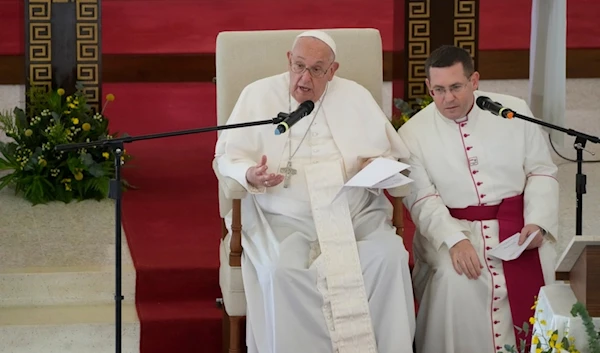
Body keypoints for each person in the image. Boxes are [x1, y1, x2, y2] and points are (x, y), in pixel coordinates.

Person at [214, 30, 416, 353]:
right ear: (288, 62)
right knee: (281, 272)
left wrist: (373, 164)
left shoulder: (356, 97)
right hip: (282, 219)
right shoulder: (257, 96)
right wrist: (249, 173)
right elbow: (226, 157)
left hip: (352, 218)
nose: (304, 79)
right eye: (298, 66)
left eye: (317, 70)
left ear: (332, 71)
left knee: (390, 257)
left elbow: (390, 155)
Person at [397, 45, 559, 353]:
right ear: (429, 88)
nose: (448, 98)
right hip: (453, 227)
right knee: (454, 277)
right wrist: (454, 240)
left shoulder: (514, 111)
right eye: (439, 90)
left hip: (517, 224)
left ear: (474, 81)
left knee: (542, 260)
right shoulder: (412, 134)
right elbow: (422, 199)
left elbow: (541, 171)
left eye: (456, 87)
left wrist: (538, 220)